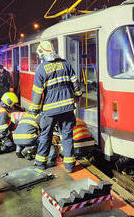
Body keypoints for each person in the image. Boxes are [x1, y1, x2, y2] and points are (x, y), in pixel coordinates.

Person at [29, 40, 82, 173]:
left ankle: (41, 163)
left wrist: (34, 109)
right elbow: (76, 83)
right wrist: (77, 96)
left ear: (42, 53)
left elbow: (37, 92)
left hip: (50, 110)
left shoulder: (41, 69)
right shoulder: (66, 64)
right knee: (67, 136)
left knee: (46, 136)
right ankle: (70, 166)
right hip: (68, 108)